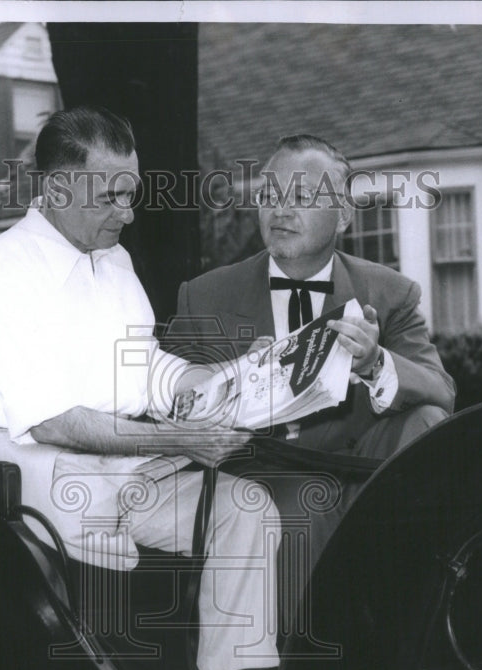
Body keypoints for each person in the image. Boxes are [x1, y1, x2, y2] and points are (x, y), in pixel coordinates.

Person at [0, 106, 278, 670]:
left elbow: (146, 369)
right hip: (33, 482)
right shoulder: (0, 272)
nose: (128, 214)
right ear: (56, 188)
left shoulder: (116, 263)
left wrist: (224, 382)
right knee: (107, 530)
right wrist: (178, 437)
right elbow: (50, 422)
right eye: (113, 198)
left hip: (123, 466)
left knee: (249, 507)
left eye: (131, 195)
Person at [173, 134, 455, 629]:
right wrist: (235, 382)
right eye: (270, 195)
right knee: (304, 502)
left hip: (361, 469)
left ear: (344, 216)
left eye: (302, 197)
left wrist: (373, 362)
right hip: (263, 470)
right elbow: (168, 408)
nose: (280, 210)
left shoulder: (389, 293)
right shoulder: (205, 296)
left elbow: (441, 391)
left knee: (428, 420)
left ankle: (417, 636)